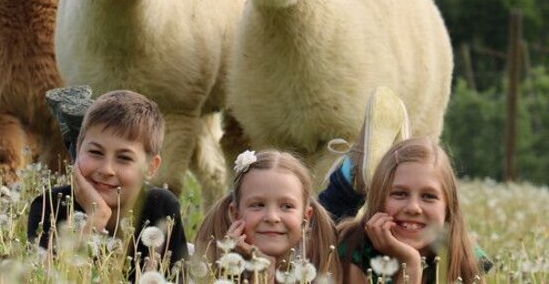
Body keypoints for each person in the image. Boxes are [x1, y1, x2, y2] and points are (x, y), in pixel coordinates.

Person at [324, 86, 491, 283]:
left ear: (449, 207)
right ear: (377, 199)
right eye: (400, 194)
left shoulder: (467, 261)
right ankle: (353, 172)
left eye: (429, 196)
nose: (413, 208)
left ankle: (373, 168)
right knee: (314, 231)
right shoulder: (353, 251)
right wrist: (411, 265)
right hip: (338, 237)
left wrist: (409, 260)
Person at [26, 90, 188, 277]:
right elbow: (47, 277)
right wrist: (96, 218)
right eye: (95, 152)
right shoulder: (49, 206)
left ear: (151, 167)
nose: (106, 169)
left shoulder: (161, 207)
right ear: (78, 149)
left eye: (124, 158)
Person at [195, 150, 342, 281]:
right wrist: (261, 270)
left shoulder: (320, 267)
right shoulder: (213, 274)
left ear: (306, 218)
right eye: (258, 205)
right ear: (235, 214)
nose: (272, 217)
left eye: (286, 206)